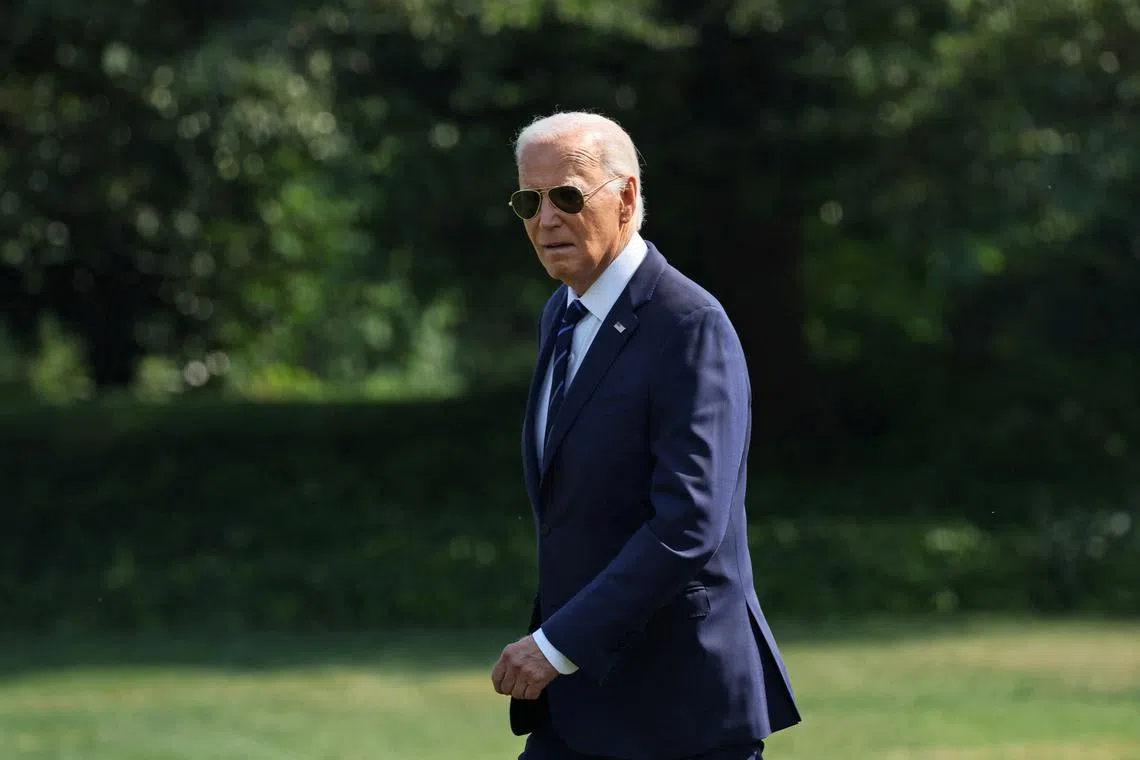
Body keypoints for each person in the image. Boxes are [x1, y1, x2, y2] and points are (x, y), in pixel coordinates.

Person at [491, 111, 801, 760]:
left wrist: (555, 645)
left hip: (679, 714)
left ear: (627, 196)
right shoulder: (562, 313)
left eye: (568, 197)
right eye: (529, 200)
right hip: (579, 711)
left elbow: (688, 522)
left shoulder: (690, 325)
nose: (546, 219)